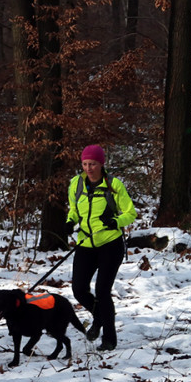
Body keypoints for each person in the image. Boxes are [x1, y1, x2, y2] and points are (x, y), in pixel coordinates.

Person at [66, 145, 137, 352]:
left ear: (101, 164)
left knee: (102, 291)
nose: (89, 168)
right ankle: (99, 317)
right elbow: (74, 210)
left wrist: (115, 221)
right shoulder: (76, 184)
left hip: (110, 244)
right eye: (85, 164)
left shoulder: (113, 185)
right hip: (85, 244)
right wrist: (70, 222)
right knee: (79, 289)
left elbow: (130, 213)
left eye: (93, 164)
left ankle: (109, 338)